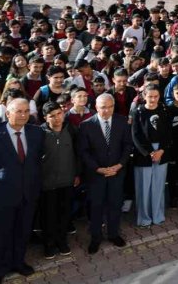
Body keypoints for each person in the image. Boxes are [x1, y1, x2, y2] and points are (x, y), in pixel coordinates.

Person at [0, 98, 43, 284]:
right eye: (19, 111)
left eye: (26, 111)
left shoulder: (37, 133)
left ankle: (18, 262)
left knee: (23, 231)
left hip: (28, 194)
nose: (23, 115)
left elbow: (37, 160)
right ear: (7, 114)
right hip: (1, 196)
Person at [79, 93, 133, 254]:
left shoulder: (122, 122)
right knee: (96, 206)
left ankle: (113, 234)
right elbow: (83, 152)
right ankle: (96, 237)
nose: (107, 111)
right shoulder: (86, 125)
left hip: (117, 172)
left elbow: (127, 146)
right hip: (97, 175)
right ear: (96, 107)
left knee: (115, 204)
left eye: (110, 107)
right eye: (103, 107)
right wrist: (98, 169)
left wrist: (119, 165)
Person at [39, 101, 80, 259]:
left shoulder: (71, 130)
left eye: (59, 114)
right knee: (48, 215)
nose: (57, 118)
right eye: (52, 116)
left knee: (64, 214)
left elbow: (78, 154)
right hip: (47, 183)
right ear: (45, 117)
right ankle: (49, 245)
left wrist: (77, 174)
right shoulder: (39, 133)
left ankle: (62, 241)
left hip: (67, 180)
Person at [131, 84, 172, 227]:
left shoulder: (164, 110)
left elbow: (168, 132)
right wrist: (150, 152)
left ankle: (157, 215)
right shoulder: (138, 112)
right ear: (144, 96)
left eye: (156, 96)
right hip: (144, 154)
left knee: (158, 186)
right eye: (150, 96)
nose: (153, 99)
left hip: (161, 153)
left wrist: (161, 150)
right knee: (144, 187)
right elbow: (136, 135)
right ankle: (144, 218)